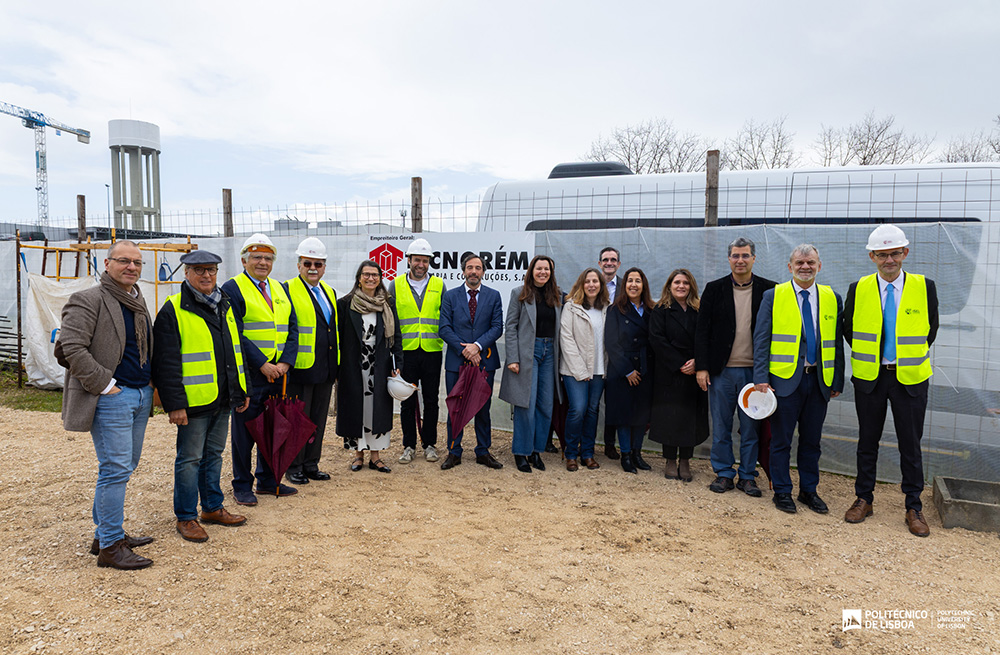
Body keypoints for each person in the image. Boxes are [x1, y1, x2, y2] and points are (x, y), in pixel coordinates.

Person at [59, 240, 155, 569]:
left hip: (140, 394)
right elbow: (71, 346)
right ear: (107, 263)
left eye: (138, 263)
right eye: (124, 261)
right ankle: (111, 547)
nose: (132, 267)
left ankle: (105, 534)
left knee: (122, 467)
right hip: (112, 396)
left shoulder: (136, 300)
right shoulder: (88, 299)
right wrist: (105, 384)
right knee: (115, 470)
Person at [843, 224, 938, 537]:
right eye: (882, 254)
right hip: (871, 377)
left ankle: (913, 506)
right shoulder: (859, 288)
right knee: (867, 441)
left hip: (909, 378)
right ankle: (864, 498)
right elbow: (849, 329)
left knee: (910, 445)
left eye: (895, 253)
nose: (889, 259)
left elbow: (930, 330)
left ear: (905, 253)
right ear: (872, 256)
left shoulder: (925, 287)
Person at [153, 249, 250, 543]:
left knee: (213, 455)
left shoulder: (226, 304)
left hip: (222, 398)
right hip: (193, 402)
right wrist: (175, 404)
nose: (206, 275)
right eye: (199, 270)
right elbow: (165, 362)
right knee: (189, 459)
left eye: (211, 270)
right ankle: (186, 517)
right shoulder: (173, 309)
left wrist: (241, 391)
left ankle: (212, 507)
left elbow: (236, 351)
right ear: (186, 273)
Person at [753, 245, 845, 514]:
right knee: (780, 440)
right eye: (800, 262)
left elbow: (836, 343)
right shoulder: (773, 295)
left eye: (811, 262)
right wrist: (760, 377)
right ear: (790, 266)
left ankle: (808, 491)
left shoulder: (831, 297)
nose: (806, 267)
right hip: (783, 381)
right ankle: (782, 491)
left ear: (819, 265)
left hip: (818, 381)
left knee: (811, 441)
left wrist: (836, 380)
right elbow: (761, 340)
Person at [221, 233, 299, 506]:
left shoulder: (280, 288)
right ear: (244, 261)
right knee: (244, 431)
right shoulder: (233, 288)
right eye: (256, 257)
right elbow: (235, 333)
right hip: (251, 373)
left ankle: (267, 480)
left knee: (271, 428)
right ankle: (242, 485)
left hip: (279, 373)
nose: (262, 262)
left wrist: (285, 363)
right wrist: (262, 364)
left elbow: (292, 328)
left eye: (267, 258)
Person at [695, 237, 776, 497]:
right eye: (735, 256)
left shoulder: (770, 290)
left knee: (750, 426)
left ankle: (748, 475)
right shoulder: (714, 289)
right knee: (721, 425)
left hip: (756, 373)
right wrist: (702, 367)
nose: (740, 260)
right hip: (722, 372)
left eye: (745, 256)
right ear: (729, 259)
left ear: (754, 258)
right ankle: (724, 473)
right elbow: (702, 331)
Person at [438, 254, 505, 470]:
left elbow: (497, 327)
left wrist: (477, 346)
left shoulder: (494, 296)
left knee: (483, 408)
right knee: (455, 408)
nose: (473, 271)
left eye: (478, 268)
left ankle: (483, 451)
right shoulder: (450, 296)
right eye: (469, 268)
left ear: (483, 272)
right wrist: (465, 349)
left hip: (484, 360)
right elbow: (444, 328)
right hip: (456, 361)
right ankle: (454, 451)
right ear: (463, 271)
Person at [336, 261, 403, 473]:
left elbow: (397, 337)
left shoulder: (387, 304)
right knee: (358, 408)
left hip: (380, 364)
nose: (370, 278)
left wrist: (397, 363)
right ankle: (358, 455)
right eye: (366, 274)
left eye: (375, 275)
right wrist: (337, 368)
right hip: (354, 365)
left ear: (380, 278)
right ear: (359, 278)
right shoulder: (346, 304)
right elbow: (338, 338)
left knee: (378, 410)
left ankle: (376, 456)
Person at [283, 237, 339, 485]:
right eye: (308, 263)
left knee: (317, 420)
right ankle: (294, 466)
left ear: (325, 266)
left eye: (318, 263)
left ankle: (310, 464)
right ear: (299, 265)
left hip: (325, 368)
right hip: (300, 369)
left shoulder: (329, 291)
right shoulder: (286, 290)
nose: (313, 268)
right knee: (298, 420)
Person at [500, 255, 562, 473]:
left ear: (551, 272)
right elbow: (511, 327)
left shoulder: (557, 295)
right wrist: (513, 358)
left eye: (547, 269)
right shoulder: (520, 293)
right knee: (525, 404)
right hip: (528, 353)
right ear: (531, 270)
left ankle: (536, 451)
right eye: (539, 268)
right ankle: (521, 452)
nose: (543, 272)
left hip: (550, 353)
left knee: (545, 405)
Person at [649, 269, 708, 482]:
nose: (681, 286)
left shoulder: (699, 310)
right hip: (670, 372)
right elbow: (656, 339)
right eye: (677, 282)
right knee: (670, 417)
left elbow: (705, 338)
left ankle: (685, 460)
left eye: (685, 283)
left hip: (694, 372)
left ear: (691, 286)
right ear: (669, 285)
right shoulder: (660, 309)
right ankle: (670, 460)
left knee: (690, 418)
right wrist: (679, 363)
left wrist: (698, 362)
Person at [395, 238, 445, 465]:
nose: (421, 264)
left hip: (432, 350)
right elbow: (391, 320)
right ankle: (408, 445)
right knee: (407, 400)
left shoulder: (439, 285)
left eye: (425, 261)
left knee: (431, 399)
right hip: (406, 352)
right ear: (409, 260)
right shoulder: (395, 285)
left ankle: (430, 444)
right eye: (417, 260)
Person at [604, 267, 655, 474]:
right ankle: (625, 455)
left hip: (645, 369)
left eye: (638, 281)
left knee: (641, 416)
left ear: (644, 285)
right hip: (621, 370)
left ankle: (637, 454)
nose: (633, 284)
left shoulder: (652, 310)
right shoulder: (615, 310)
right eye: (629, 281)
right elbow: (611, 343)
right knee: (623, 416)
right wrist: (627, 371)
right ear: (624, 286)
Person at [559, 267, 609, 471]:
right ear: (581, 284)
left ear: (601, 285)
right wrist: (580, 370)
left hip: (599, 369)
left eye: (595, 281)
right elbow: (566, 339)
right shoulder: (571, 307)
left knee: (592, 410)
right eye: (587, 281)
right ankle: (571, 453)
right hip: (574, 370)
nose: (591, 285)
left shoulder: (607, 307)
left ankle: (587, 453)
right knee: (577, 409)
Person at [598, 246, 623, 460]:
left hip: (617, 354)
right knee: (590, 403)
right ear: (599, 263)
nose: (609, 263)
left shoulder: (626, 287)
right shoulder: (591, 284)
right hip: (595, 351)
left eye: (613, 260)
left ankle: (609, 444)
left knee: (614, 401)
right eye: (606, 259)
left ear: (618, 264)